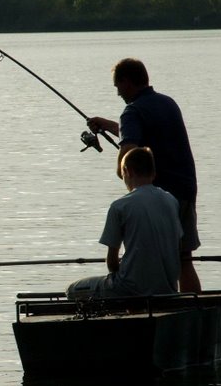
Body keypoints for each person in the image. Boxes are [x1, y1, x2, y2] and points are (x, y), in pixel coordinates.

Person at [86, 58, 201, 292]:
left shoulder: (132, 111)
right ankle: (194, 310)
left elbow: (128, 152)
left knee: (149, 255)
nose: (118, 93)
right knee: (184, 258)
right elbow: (144, 131)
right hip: (187, 187)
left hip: (159, 196)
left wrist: (122, 169)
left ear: (126, 82)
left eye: (118, 87)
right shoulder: (167, 103)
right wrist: (108, 125)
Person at [67, 147, 182, 299]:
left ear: (127, 171)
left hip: (131, 289)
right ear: (153, 173)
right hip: (168, 289)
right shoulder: (171, 201)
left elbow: (112, 262)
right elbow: (178, 247)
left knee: (72, 290)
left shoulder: (120, 206)